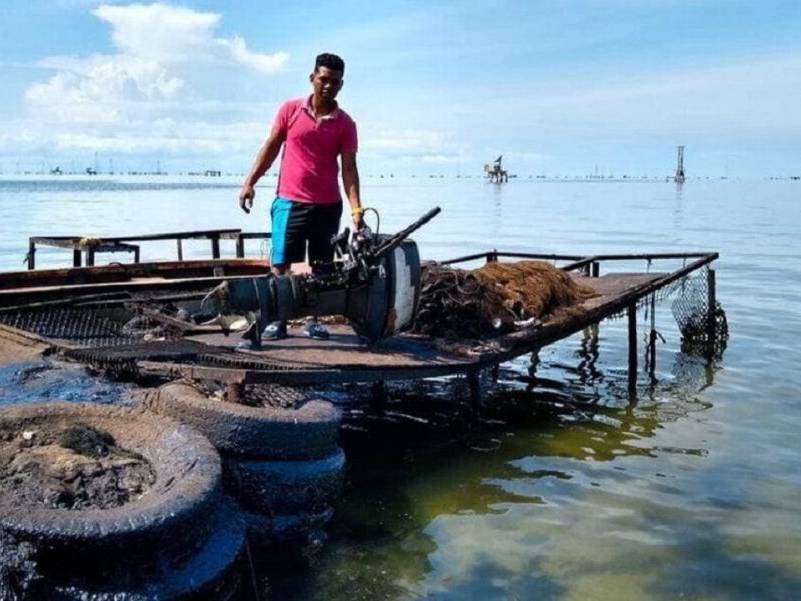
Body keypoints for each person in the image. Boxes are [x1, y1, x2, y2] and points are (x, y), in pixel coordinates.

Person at [238, 53, 363, 340]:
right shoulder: (290, 109)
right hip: (289, 200)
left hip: (327, 205)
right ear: (312, 79)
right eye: (323, 80)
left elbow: (349, 170)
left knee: (322, 265)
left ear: (341, 85)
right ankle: (277, 320)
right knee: (281, 262)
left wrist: (357, 210)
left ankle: (313, 320)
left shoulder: (346, 124)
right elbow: (270, 147)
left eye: (334, 82)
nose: (328, 86)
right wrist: (249, 183)